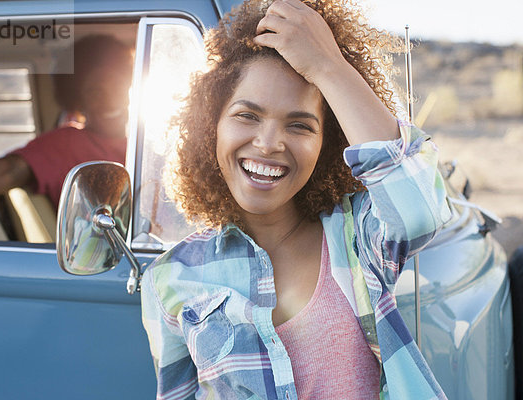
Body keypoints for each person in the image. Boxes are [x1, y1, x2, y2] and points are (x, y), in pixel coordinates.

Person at [141, 0, 451, 399]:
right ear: (210, 127)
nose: (268, 144)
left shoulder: (357, 236)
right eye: (247, 116)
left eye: (300, 125)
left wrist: (329, 67)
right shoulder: (169, 278)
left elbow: (419, 207)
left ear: (328, 144)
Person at [0, 34, 133, 209]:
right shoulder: (67, 144)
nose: (109, 97)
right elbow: (4, 172)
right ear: (75, 97)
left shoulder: (144, 145)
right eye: (95, 90)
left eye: (119, 82)